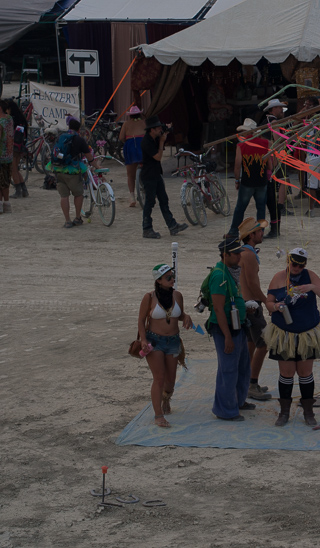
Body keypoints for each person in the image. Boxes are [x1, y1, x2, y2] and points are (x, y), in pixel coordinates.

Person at [264, 248, 320, 427]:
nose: (297, 268)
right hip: (283, 332)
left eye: (301, 265)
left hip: (308, 331)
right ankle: (284, 412)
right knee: (286, 373)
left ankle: (309, 412)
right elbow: (268, 303)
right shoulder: (278, 277)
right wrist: (276, 306)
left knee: (305, 373)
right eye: (294, 264)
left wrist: (312, 287)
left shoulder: (311, 275)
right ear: (288, 261)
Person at [137, 264, 192, 427]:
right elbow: (141, 320)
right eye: (168, 277)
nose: (172, 279)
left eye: (172, 276)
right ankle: (158, 415)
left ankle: (166, 398)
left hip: (174, 341)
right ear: (158, 280)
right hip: (155, 341)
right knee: (159, 378)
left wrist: (186, 316)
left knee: (170, 381)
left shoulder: (178, 295)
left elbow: (179, 314)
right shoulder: (149, 297)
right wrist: (143, 340)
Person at [207, 236, 254, 421]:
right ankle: (225, 410)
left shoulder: (230, 272)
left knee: (243, 367)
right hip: (225, 329)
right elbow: (218, 308)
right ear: (225, 255)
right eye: (235, 254)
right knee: (228, 370)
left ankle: (238, 401)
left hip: (238, 327)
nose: (239, 258)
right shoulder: (219, 275)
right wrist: (227, 336)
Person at [237, 217, 273, 401]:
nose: (262, 233)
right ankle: (252, 383)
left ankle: (247, 382)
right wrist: (266, 301)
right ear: (251, 235)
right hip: (252, 304)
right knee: (264, 343)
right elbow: (252, 283)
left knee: (251, 344)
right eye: (259, 231)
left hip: (245, 304)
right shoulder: (249, 255)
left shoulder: (243, 253)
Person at [140, 116, 188, 239]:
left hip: (156, 174)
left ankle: (172, 225)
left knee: (164, 200)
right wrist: (162, 142)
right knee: (150, 202)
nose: (160, 130)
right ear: (152, 130)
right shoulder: (146, 142)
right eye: (158, 128)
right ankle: (147, 228)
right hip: (149, 175)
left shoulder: (154, 138)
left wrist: (165, 133)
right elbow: (157, 157)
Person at [47, 117, 95, 228]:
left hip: (58, 169)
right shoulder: (79, 139)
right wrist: (96, 166)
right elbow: (89, 157)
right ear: (79, 130)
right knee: (78, 194)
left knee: (64, 196)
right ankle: (78, 217)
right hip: (72, 171)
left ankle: (67, 221)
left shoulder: (61, 136)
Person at [227, 119, 271, 237]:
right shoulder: (266, 143)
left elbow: (237, 166)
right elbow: (270, 164)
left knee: (240, 207)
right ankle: (260, 232)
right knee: (261, 207)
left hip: (247, 181)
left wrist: (237, 180)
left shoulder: (241, 145)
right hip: (262, 181)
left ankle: (233, 231)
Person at [262, 99, 288, 238]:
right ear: (272, 110)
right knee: (278, 184)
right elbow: (278, 140)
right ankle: (280, 208)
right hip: (275, 157)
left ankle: (275, 223)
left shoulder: (268, 121)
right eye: (278, 108)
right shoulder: (274, 122)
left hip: (271, 156)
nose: (281, 110)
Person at [119, 105, 146, 207]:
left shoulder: (126, 124)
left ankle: (132, 197)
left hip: (130, 145)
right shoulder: (144, 122)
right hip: (142, 145)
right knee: (147, 168)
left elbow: (121, 137)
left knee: (130, 175)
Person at [207, 71, 233, 164]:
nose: (219, 80)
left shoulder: (221, 89)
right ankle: (214, 160)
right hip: (216, 118)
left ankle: (218, 159)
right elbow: (213, 104)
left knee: (220, 139)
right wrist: (225, 106)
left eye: (220, 78)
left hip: (222, 117)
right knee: (215, 140)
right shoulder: (212, 90)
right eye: (217, 78)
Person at [6, 99, 28, 199]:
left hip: (13, 146)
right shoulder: (22, 119)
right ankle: (24, 190)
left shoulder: (11, 120)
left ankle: (18, 191)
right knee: (16, 169)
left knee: (13, 170)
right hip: (20, 146)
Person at [0, 101, 13, 214]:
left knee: (1, 181)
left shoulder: (1, 121)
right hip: (9, 155)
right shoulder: (9, 119)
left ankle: (0, 205)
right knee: (6, 180)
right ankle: (7, 204)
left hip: (1, 155)